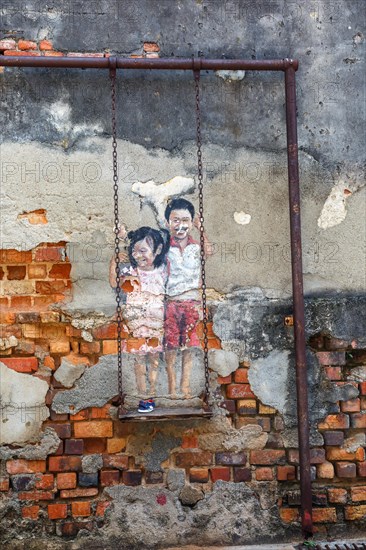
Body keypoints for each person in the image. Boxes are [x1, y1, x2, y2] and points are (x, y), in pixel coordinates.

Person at [109, 226, 169, 410]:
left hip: (155, 324)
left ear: (157, 251)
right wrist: (114, 261)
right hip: (136, 324)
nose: (138, 255)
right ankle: (143, 397)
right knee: (139, 360)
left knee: (154, 360)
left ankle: (150, 395)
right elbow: (114, 283)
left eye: (143, 251)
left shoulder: (163, 269)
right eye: (135, 251)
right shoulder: (131, 271)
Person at [164, 198, 211, 398]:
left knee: (190, 346)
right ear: (167, 223)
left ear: (192, 223)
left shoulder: (197, 247)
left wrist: (202, 230)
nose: (180, 225)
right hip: (172, 302)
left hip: (192, 303)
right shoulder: (165, 248)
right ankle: (172, 387)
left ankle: (185, 386)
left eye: (185, 220)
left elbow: (209, 252)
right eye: (175, 220)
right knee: (171, 346)